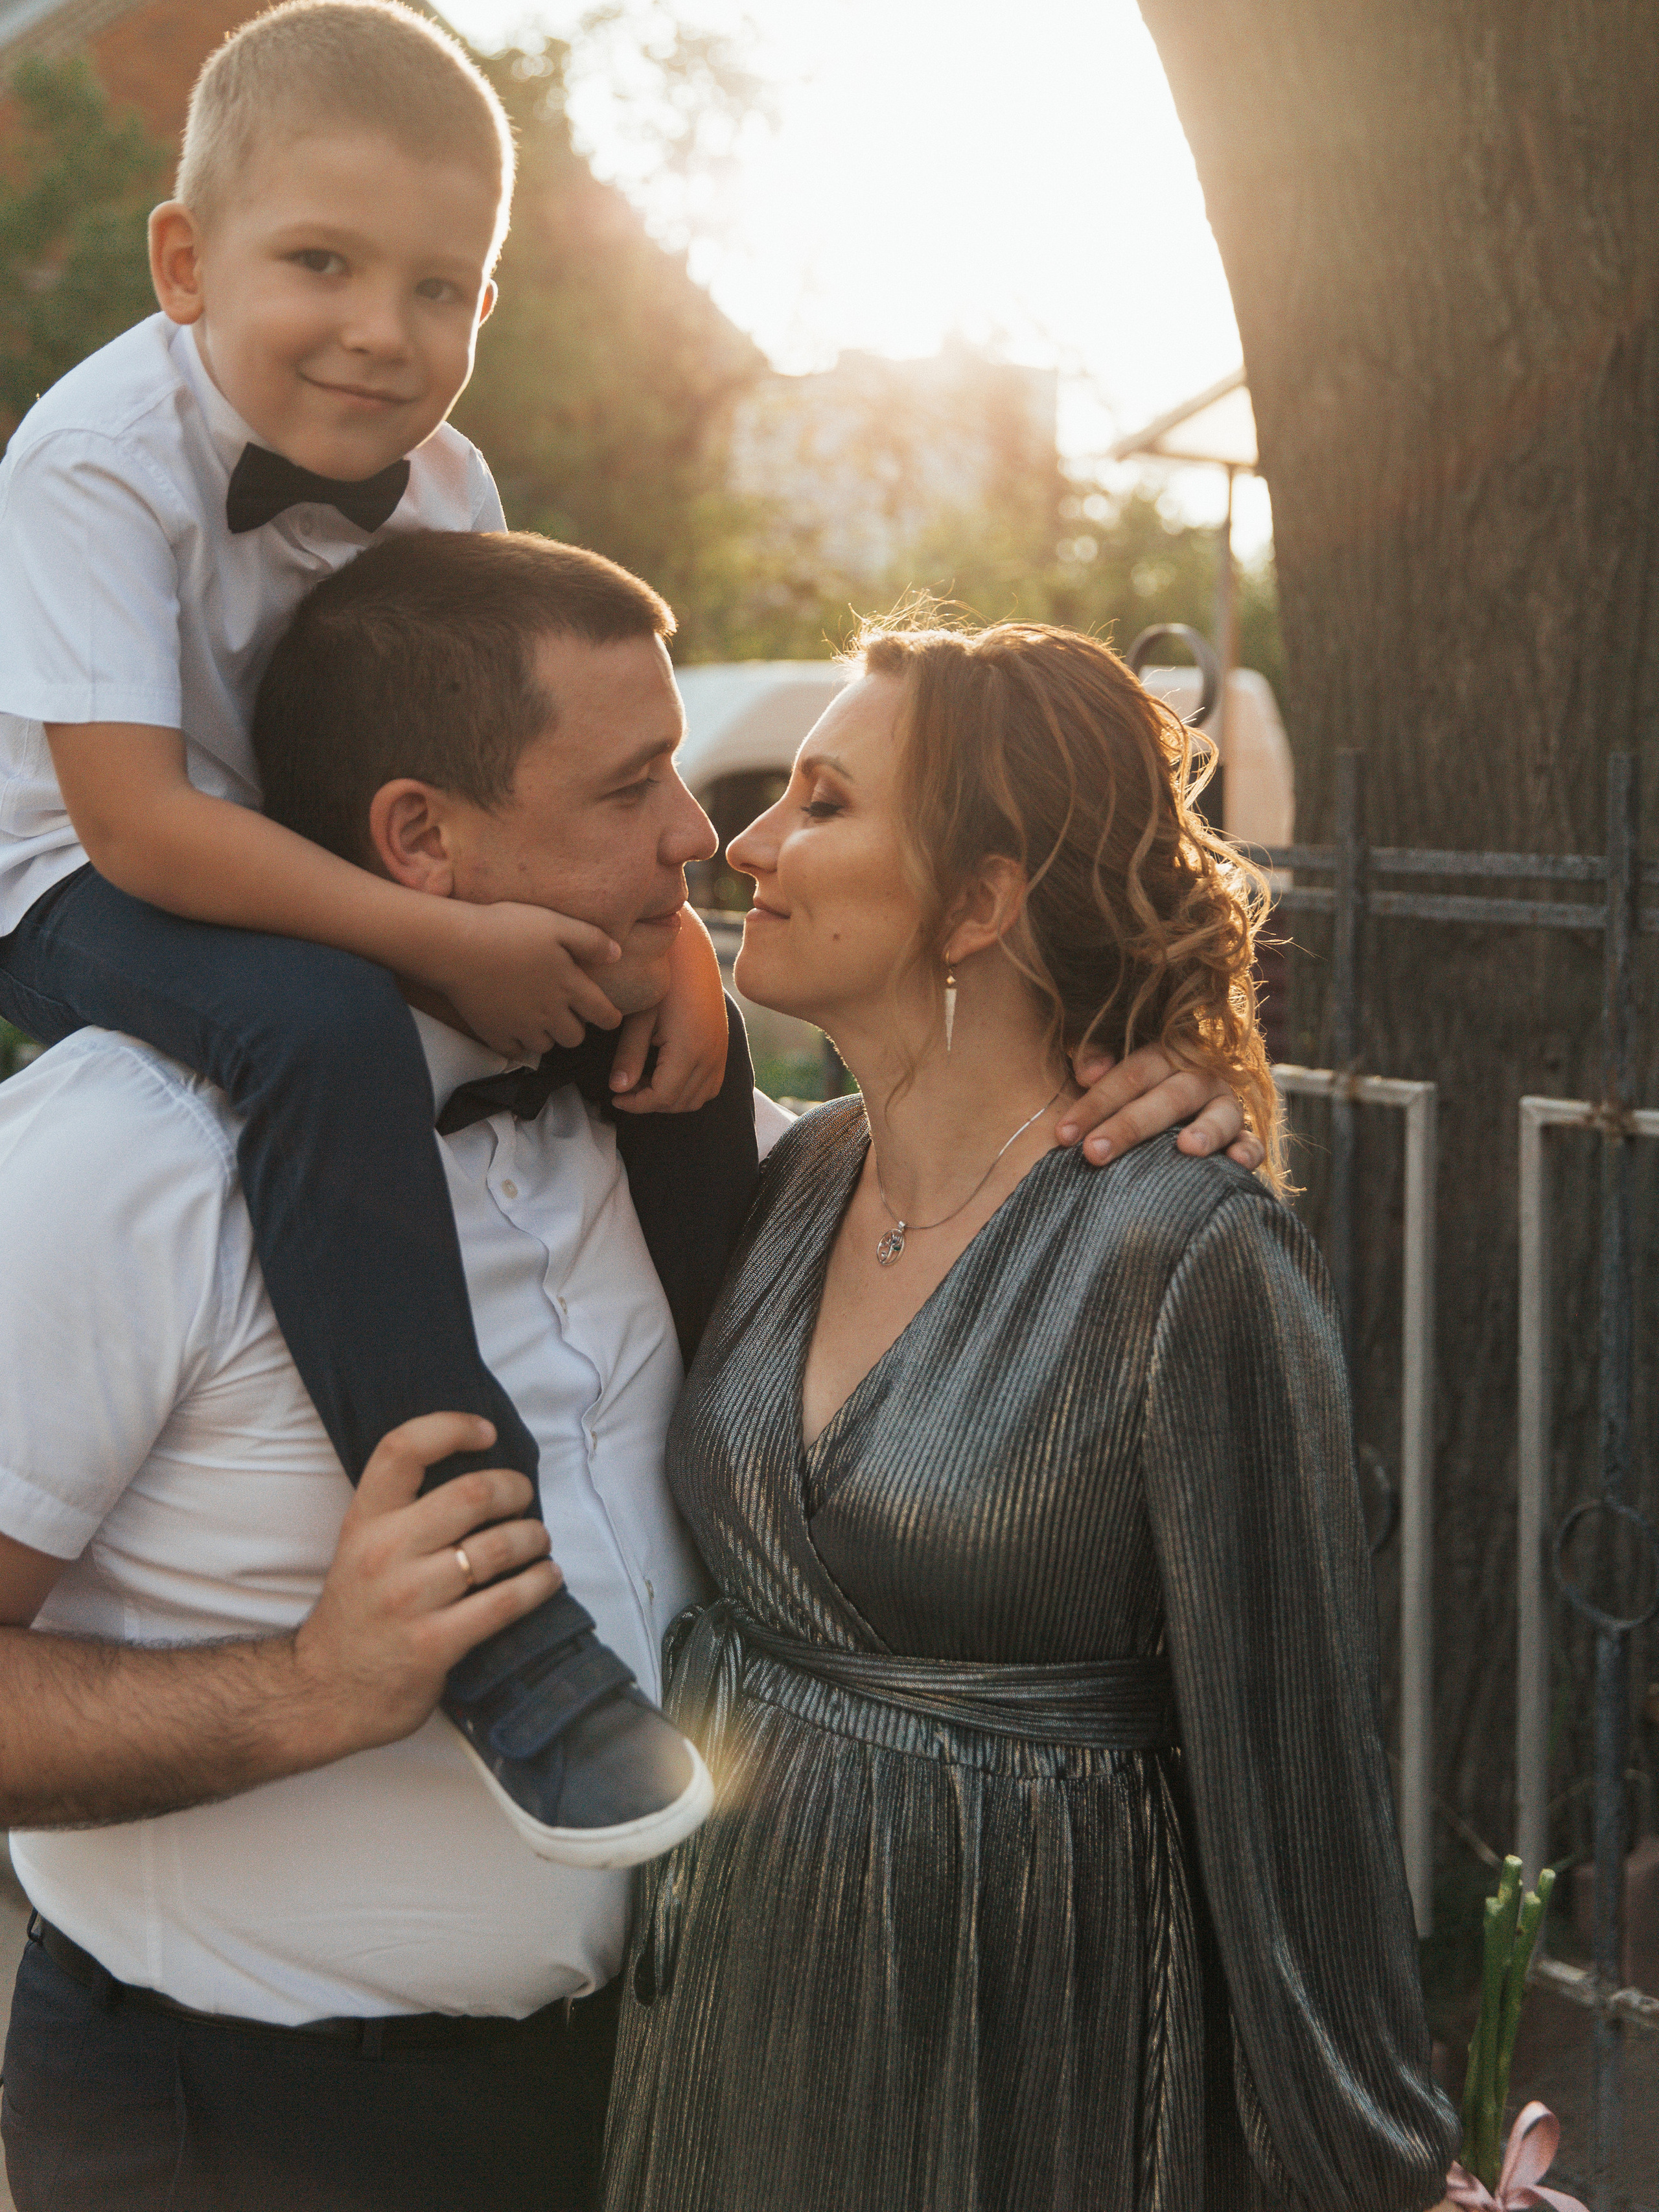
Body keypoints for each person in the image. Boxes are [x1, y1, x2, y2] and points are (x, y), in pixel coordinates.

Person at [0, 534, 1257, 2212]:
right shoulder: (125, 1157)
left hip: (668, 2109)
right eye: (628, 787)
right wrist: (309, 1687)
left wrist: (1142, 1086)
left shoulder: (668, 1121)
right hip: (247, 2131)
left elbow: (940, 1206)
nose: (699, 835)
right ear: (420, 839)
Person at [0, 0, 734, 1863]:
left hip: (296, 863)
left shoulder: (449, 482)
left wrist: (667, 940)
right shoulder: (93, 460)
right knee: (321, 1028)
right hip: (74, 884)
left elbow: (489, 758)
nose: (380, 332)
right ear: (186, 262)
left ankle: (745, 1494)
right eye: (319, 263)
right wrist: (446, 950)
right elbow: (139, 822)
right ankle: (498, 1622)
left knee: (646, 1008)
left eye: (437, 289)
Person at [604, 614, 1461, 2212]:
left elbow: (1292, 1772)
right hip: (732, 2009)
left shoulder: (1181, 1250)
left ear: (980, 901)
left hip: (1024, 2026)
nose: (745, 844)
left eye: (821, 802)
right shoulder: (794, 1176)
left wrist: (1374, 2169)